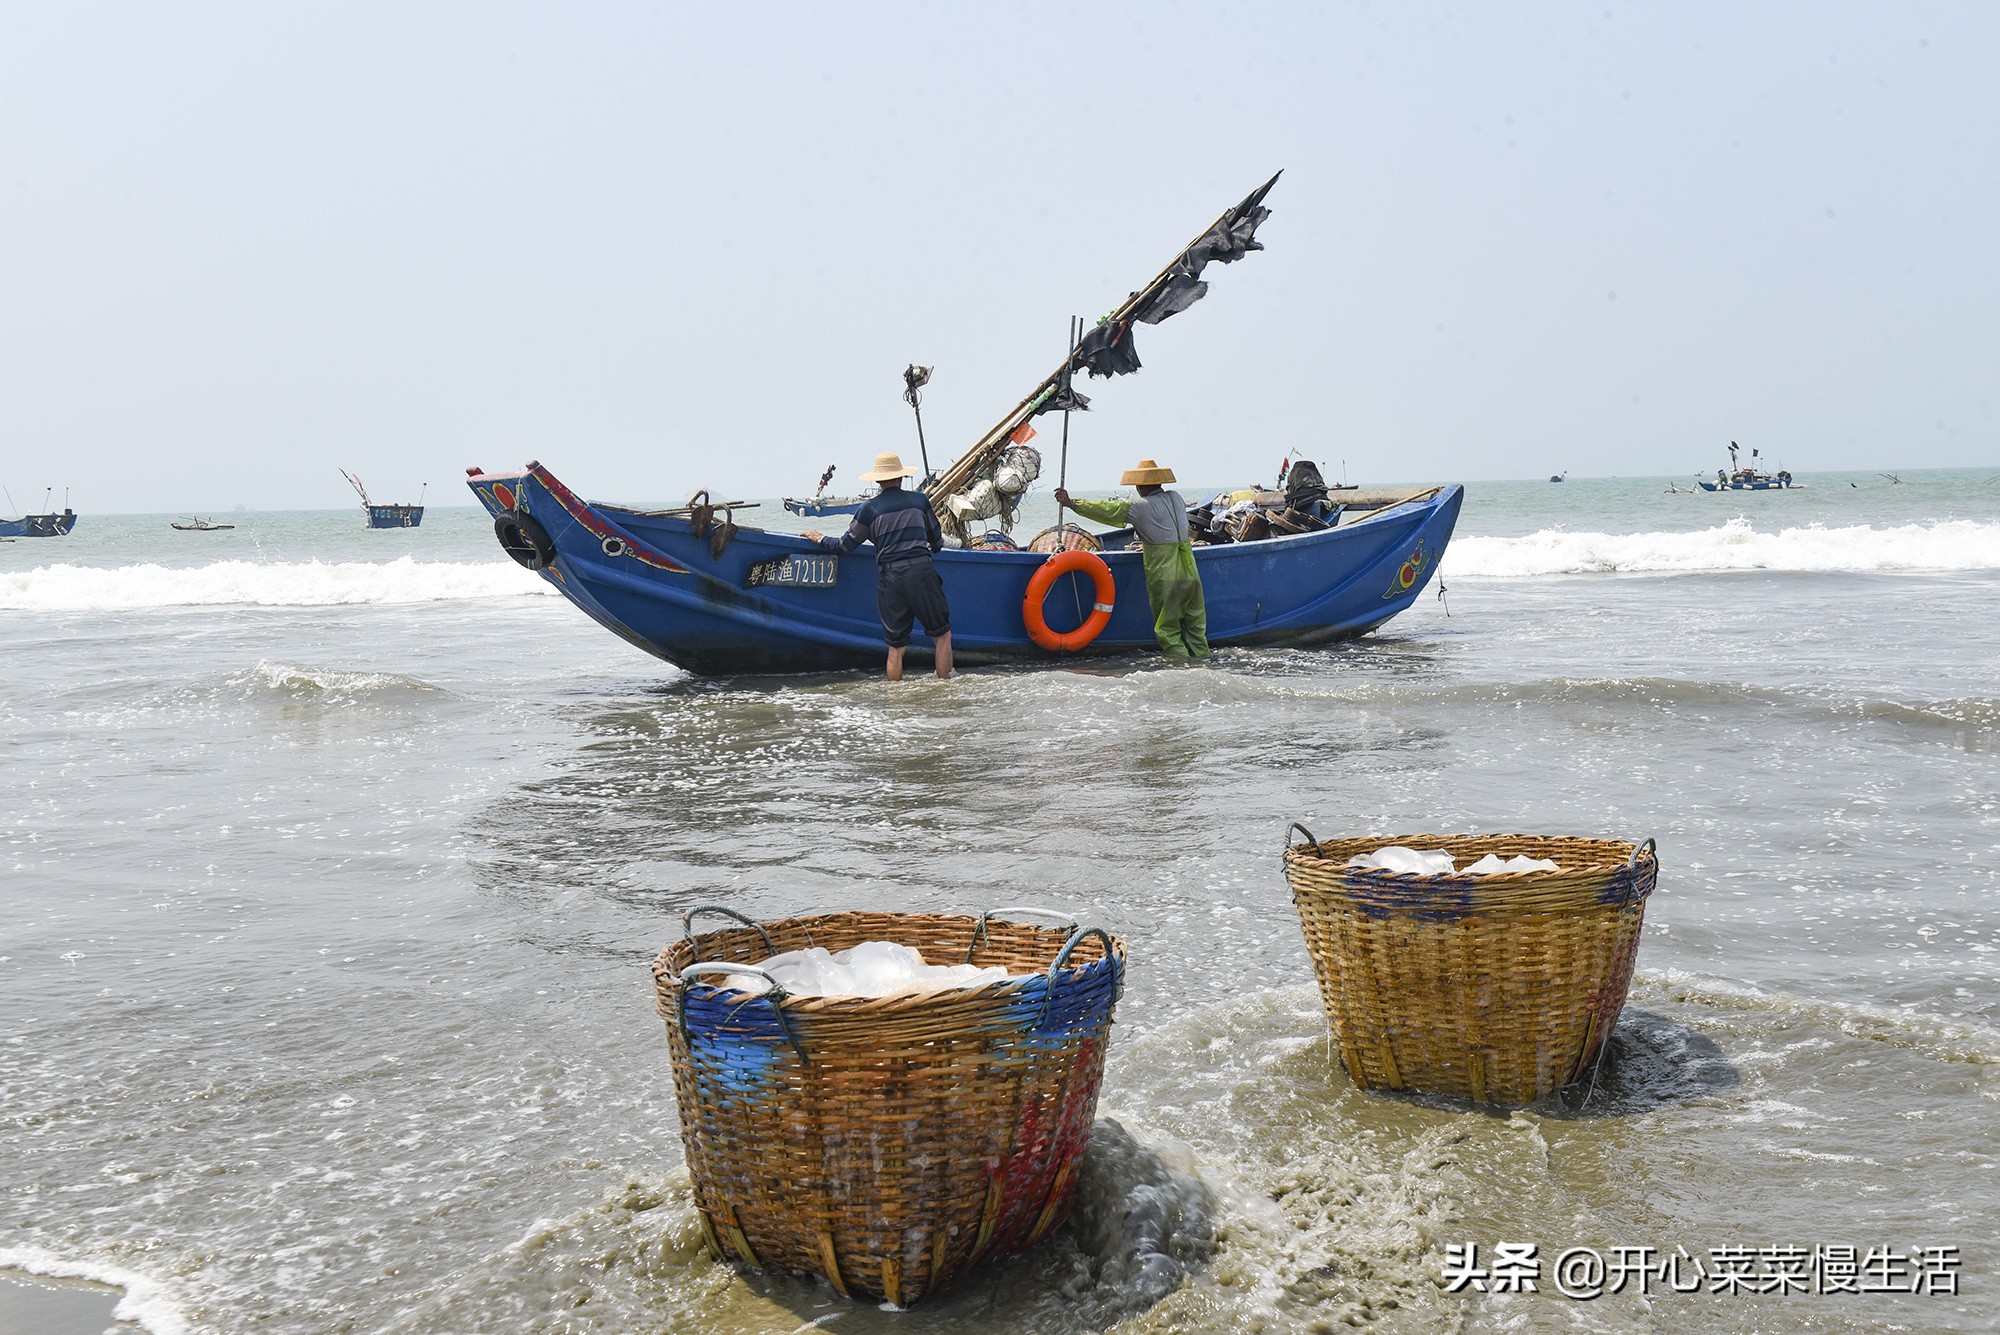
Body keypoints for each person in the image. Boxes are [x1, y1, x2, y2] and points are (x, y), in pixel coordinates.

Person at [802, 452, 953, 680]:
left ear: (877, 481)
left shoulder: (869, 509)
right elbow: (937, 540)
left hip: (891, 578)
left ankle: (895, 702)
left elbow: (844, 545)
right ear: (901, 478)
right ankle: (946, 692)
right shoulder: (919, 501)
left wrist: (820, 538)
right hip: (921, 572)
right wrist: (933, 545)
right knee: (942, 636)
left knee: (896, 647)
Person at [1054, 458, 1209, 660]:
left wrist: (1072, 503)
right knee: (1195, 626)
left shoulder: (1139, 506)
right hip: (1190, 569)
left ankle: (1182, 670)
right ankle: (1202, 665)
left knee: (1168, 630)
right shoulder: (1176, 498)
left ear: (1139, 486)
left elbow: (1107, 510)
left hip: (1166, 571)